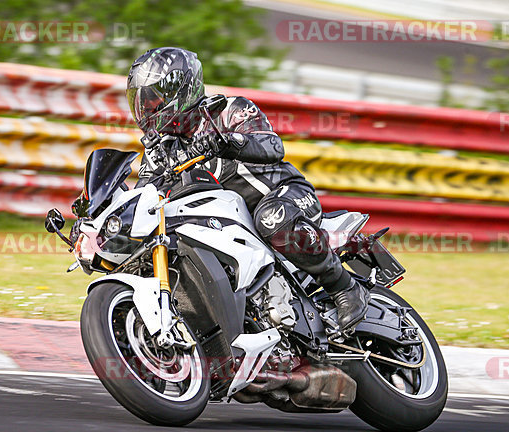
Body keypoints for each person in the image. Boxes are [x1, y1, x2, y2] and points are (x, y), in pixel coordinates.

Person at [126, 47, 369, 334]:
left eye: (154, 100)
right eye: (143, 102)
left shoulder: (228, 110)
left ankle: (344, 287)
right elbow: (142, 197)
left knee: (271, 218)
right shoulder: (160, 153)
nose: (148, 109)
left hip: (283, 195)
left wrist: (227, 142)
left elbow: (272, 147)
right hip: (230, 225)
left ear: (181, 89)